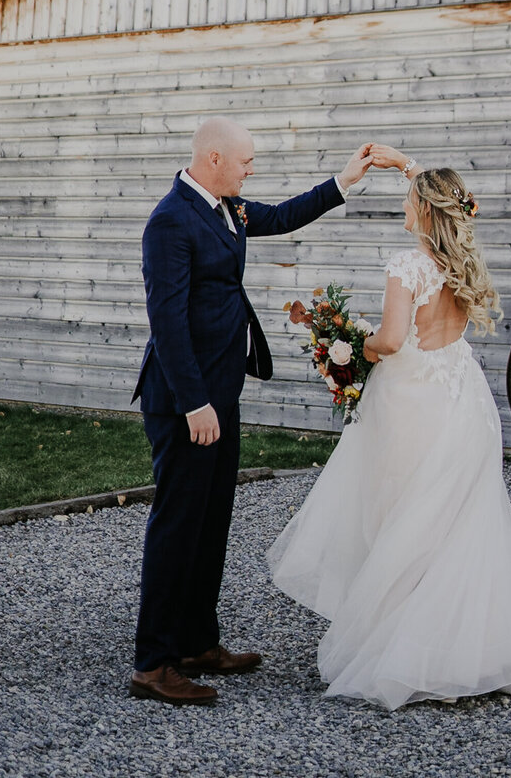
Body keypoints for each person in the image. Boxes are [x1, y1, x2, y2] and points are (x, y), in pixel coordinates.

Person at [268, 148, 511, 710]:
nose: (403, 201)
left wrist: (346, 346)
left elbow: (393, 342)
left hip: (412, 401)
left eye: (408, 196)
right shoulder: (459, 261)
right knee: (454, 523)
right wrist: (408, 164)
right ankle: (471, 648)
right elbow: (455, 200)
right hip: (462, 399)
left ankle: (406, 653)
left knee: (403, 520)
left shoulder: (407, 265)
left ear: (423, 209)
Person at [129, 116, 376, 706]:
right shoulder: (170, 222)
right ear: (214, 158)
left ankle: (196, 642)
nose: (251, 169)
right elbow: (166, 323)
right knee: (177, 526)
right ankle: (153, 663)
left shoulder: (227, 208)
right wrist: (194, 402)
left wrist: (343, 180)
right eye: (245, 161)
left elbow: (284, 214)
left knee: (211, 523)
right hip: (187, 402)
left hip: (222, 393)